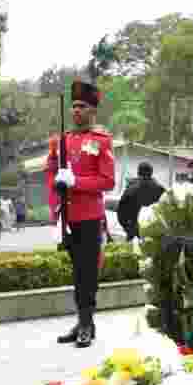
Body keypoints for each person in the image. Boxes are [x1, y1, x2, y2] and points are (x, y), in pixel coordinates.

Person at [47, 79, 116, 348]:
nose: (76, 110)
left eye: (82, 106)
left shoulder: (101, 142)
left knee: (88, 273)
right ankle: (83, 322)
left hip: (89, 217)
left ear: (92, 111)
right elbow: (51, 172)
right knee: (77, 272)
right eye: (74, 106)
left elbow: (107, 181)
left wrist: (76, 182)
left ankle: (86, 324)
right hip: (68, 217)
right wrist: (56, 186)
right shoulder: (62, 140)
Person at [118, 162, 166, 241]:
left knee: (131, 248)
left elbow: (121, 210)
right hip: (154, 229)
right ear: (151, 173)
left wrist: (126, 226)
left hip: (133, 229)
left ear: (138, 172)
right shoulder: (161, 189)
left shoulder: (131, 189)